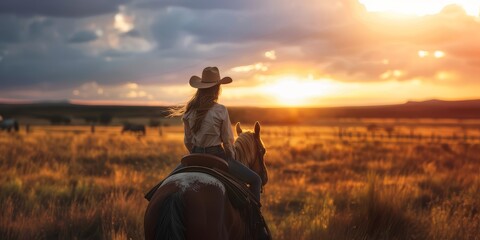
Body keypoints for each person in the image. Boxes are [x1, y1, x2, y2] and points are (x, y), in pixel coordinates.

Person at [170, 66, 262, 201]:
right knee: (256, 180)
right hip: (217, 155)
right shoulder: (220, 110)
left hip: (194, 155)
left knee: (167, 183)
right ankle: (256, 221)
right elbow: (228, 140)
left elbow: (188, 141)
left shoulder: (189, 111)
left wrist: (196, 153)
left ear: (200, 88)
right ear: (217, 88)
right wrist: (231, 156)